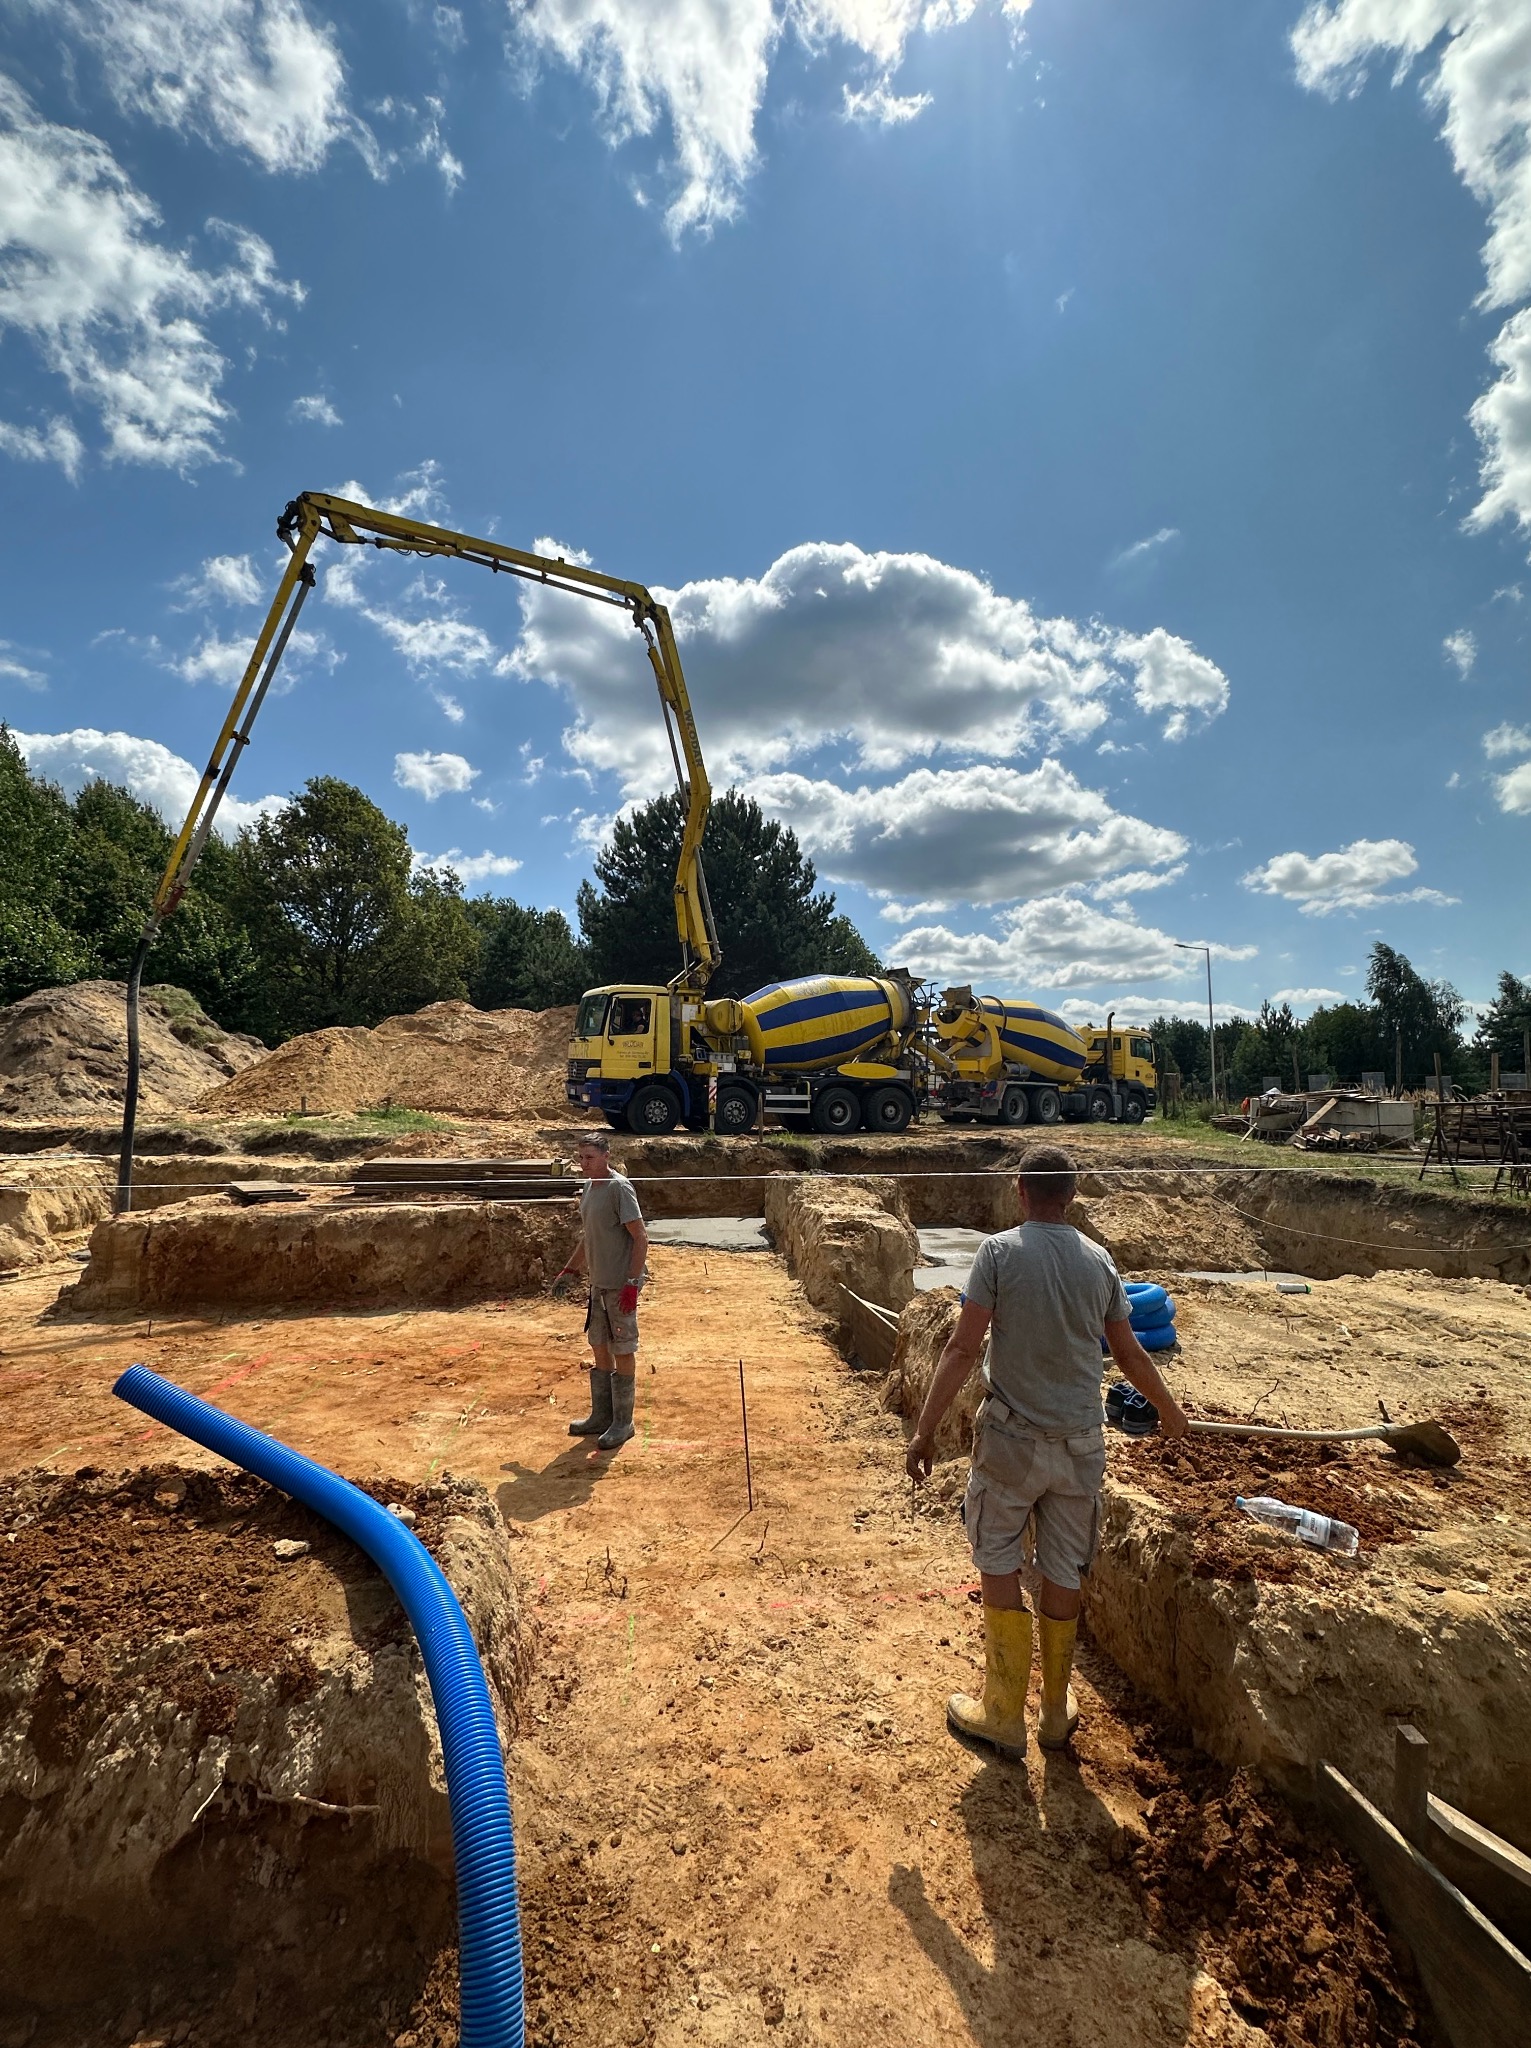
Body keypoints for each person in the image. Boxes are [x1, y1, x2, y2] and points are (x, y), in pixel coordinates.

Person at [905, 1141, 1189, 1760]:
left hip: (1012, 1444)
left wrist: (924, 1430)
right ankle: (1055, 1712)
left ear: (1021, 1191)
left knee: (999, 1558)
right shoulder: (1100, 1262)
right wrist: (1170, 1412)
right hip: (1081, 1446)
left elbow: (961, 1348)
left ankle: (1003, 1712)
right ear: (1072, 1195)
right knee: (1063, 1569)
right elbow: (1129, 1352)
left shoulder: (999, 1254)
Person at [551, 1130, 650, 1451]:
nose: (584, 1163)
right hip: (599, 1283)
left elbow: (641, 1237)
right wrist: (570, 1270)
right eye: (581, 1158)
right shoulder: (589, 1188)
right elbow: (589, 1236)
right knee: (599, 1345)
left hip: (620, 1285)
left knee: (622, 1347)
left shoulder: (619, 1188)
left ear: (606, 1156)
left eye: (590, 1158)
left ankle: (623, 1423)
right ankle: (602, 1416)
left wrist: (632, 1283)